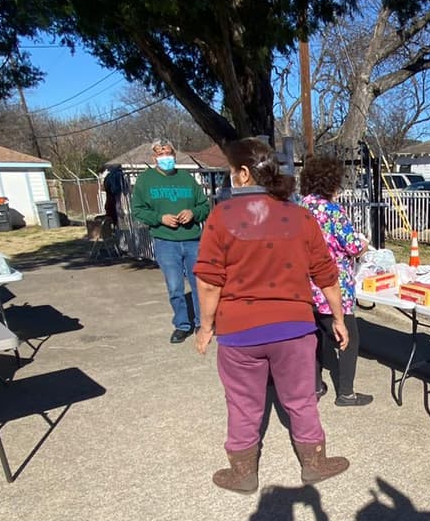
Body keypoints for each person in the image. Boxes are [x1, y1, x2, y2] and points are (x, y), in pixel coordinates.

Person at [193, 137, 351, 493]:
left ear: (244, 173)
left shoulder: (221, 217)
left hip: (238, 333)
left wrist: (205, 328)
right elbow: (326, 274)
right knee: (300, 399)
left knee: (243, 403)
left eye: (232, 171)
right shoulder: (300, 216)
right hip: (294, 330)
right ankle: (314, 464)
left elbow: (208, 282)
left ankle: (243, 474)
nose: (230, 177)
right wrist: (339, 319)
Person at [298, 154, 373, 406]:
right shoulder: (332, 211)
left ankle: (315, 385)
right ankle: (346, 392)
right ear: (330, 182)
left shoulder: (299, 207)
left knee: (315, 336)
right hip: (333, 284)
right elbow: (351, 246)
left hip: (304, 284)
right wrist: (364, 244)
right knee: (349, 338)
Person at [130, 138, 212, 343]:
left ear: (174, 154)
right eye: (160, 153)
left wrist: (193, 213)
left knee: (199, 283)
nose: (165, 156)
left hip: (192, 239)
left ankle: (203, 323)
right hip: (166, 241)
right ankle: (183, 324)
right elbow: (138, 210)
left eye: (168, 153)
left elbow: (204, 206)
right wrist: (160, 218)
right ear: (154, 157)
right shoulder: (145, 181)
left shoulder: (186, 179)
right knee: (175, 286)